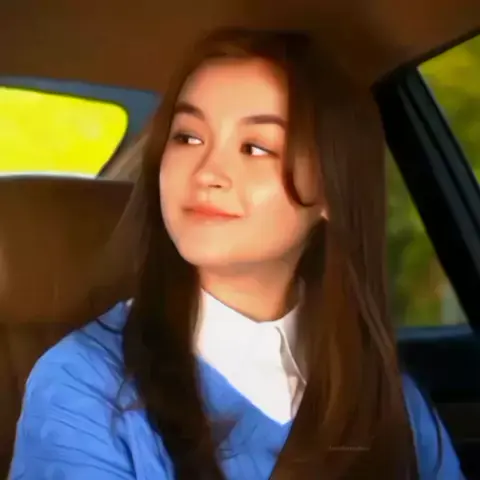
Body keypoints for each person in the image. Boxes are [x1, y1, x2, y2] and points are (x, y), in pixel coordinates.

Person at [9, 28, 464, 479]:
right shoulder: (85, 386)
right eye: (188, 137)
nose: (207, 172)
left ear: (331, 188)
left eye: (255, 147)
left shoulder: (388, 399)